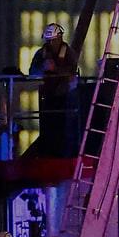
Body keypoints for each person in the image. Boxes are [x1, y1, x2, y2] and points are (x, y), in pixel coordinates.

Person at [28, 23, 79, 156]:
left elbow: (72, 72)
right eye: (48, 41)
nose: (51, 44)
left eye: (53, 40)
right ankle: (48, 152)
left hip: (66, 97)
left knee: (66, 128)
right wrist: (43, 70)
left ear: (60, 38)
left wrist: (55, 69)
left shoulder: (69, 53)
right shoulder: (41, 54)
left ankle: (66, 153)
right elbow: (32, 72)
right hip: (47, 98)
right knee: (49, 128)